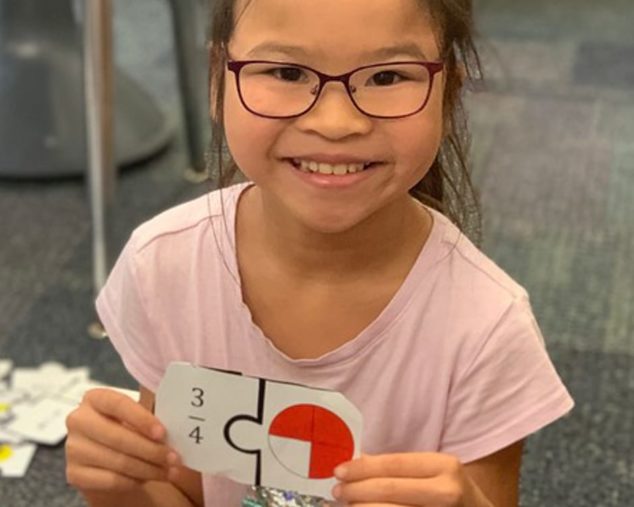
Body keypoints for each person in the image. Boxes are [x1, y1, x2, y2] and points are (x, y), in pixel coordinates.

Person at [65, 0, 574, 505]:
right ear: (219, 82)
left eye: (388, 77)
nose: (336, 122)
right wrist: (119, 482)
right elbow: (182, 490)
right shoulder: (166, 265)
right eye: (286, 71)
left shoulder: (485, 329)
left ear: (448, 94)